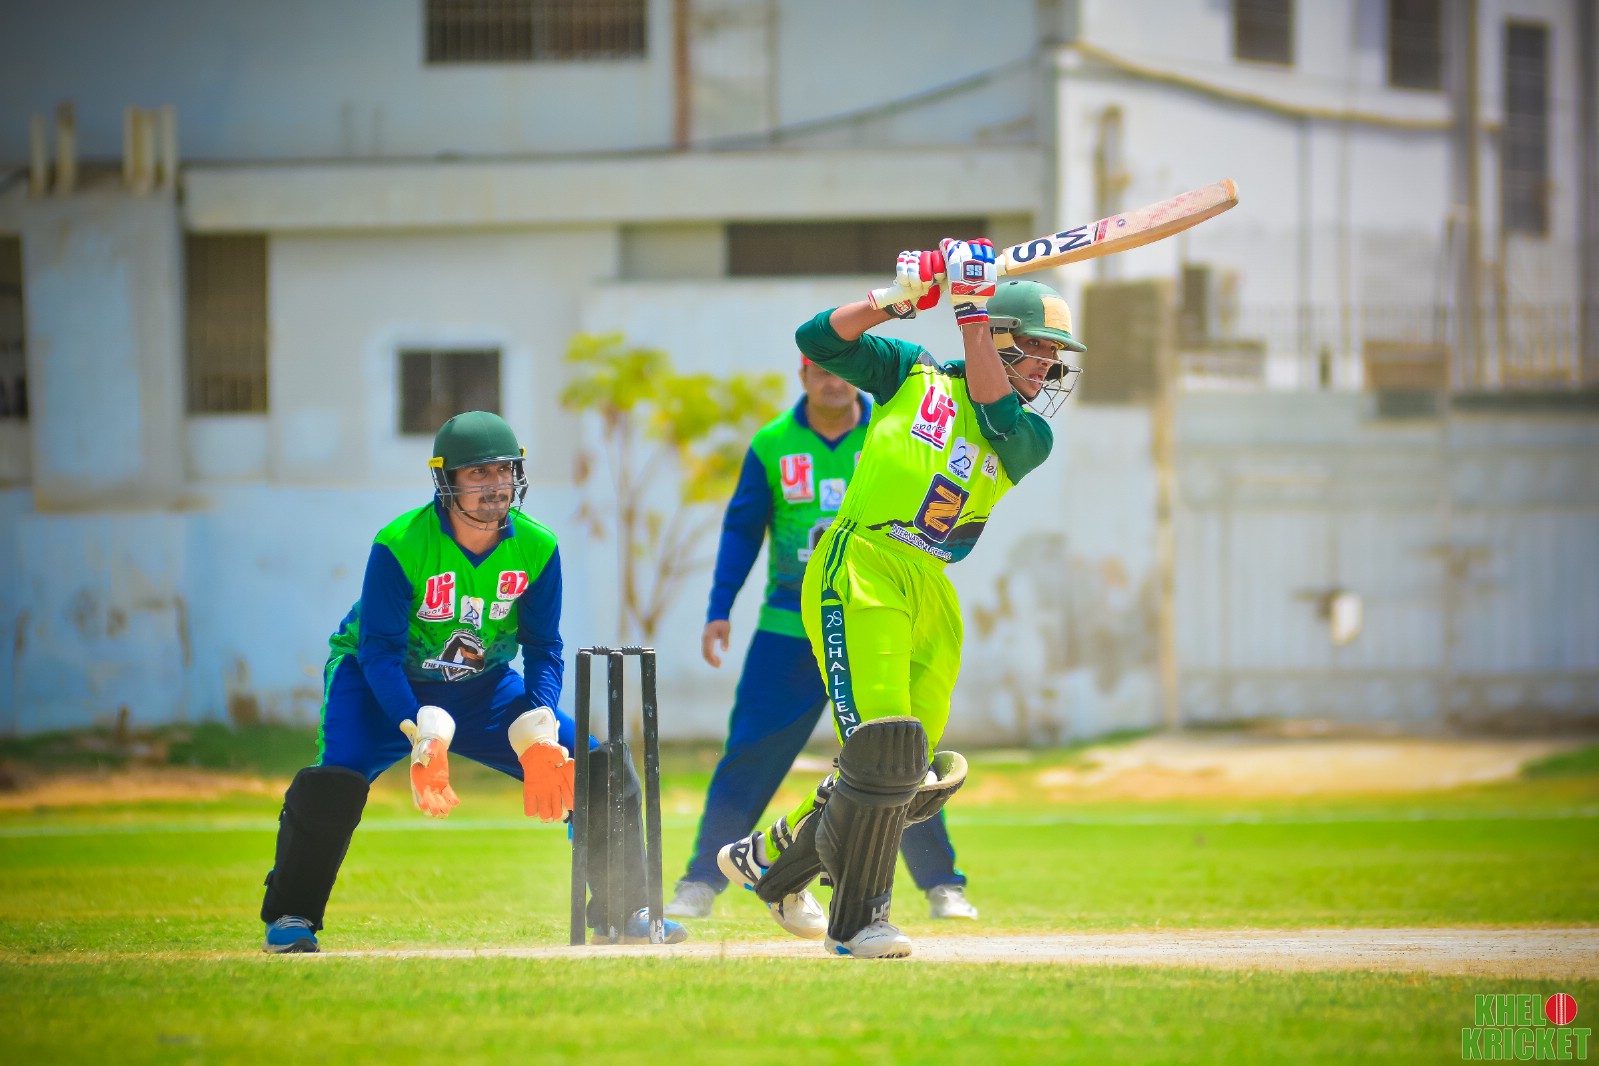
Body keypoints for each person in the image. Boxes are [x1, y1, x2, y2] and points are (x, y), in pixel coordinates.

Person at [717, 241, 1084, 959]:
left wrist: (970, 311)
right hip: (862, 564)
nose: (1048, 368)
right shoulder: (911, 372)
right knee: (883, 747)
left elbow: (993, 412)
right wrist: (894, 301)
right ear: (1002, 338)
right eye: (1038, 349)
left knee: (908, 772)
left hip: (930, 585)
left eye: (1053, 356)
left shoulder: (1029, 434)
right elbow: (818, 341)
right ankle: (857, 922)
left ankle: (771, 858)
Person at [258, 410, 687, 952]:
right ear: (447, 480)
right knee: (335, 781)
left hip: (482, 684)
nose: (494, 485)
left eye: (504, 470)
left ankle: (623, 910)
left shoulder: (537, 547)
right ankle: (292, 914)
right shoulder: (400, 544)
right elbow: (378, 652)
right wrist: (418, 731)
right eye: (478, 473)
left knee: (598, 765)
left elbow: (544, 647)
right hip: (380, 683)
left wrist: (540, 731)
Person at [664, 356, 979, 933]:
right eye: (821, 371)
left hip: (873, 621)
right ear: (804, 375)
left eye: (841, 372)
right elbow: (742, 528)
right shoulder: (772, 444)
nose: (834, 381)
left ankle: (942, 884)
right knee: (750, 753)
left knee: (897, 749)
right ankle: (701, 880)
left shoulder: (892, 426)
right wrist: (719, 608)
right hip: (789, 625)